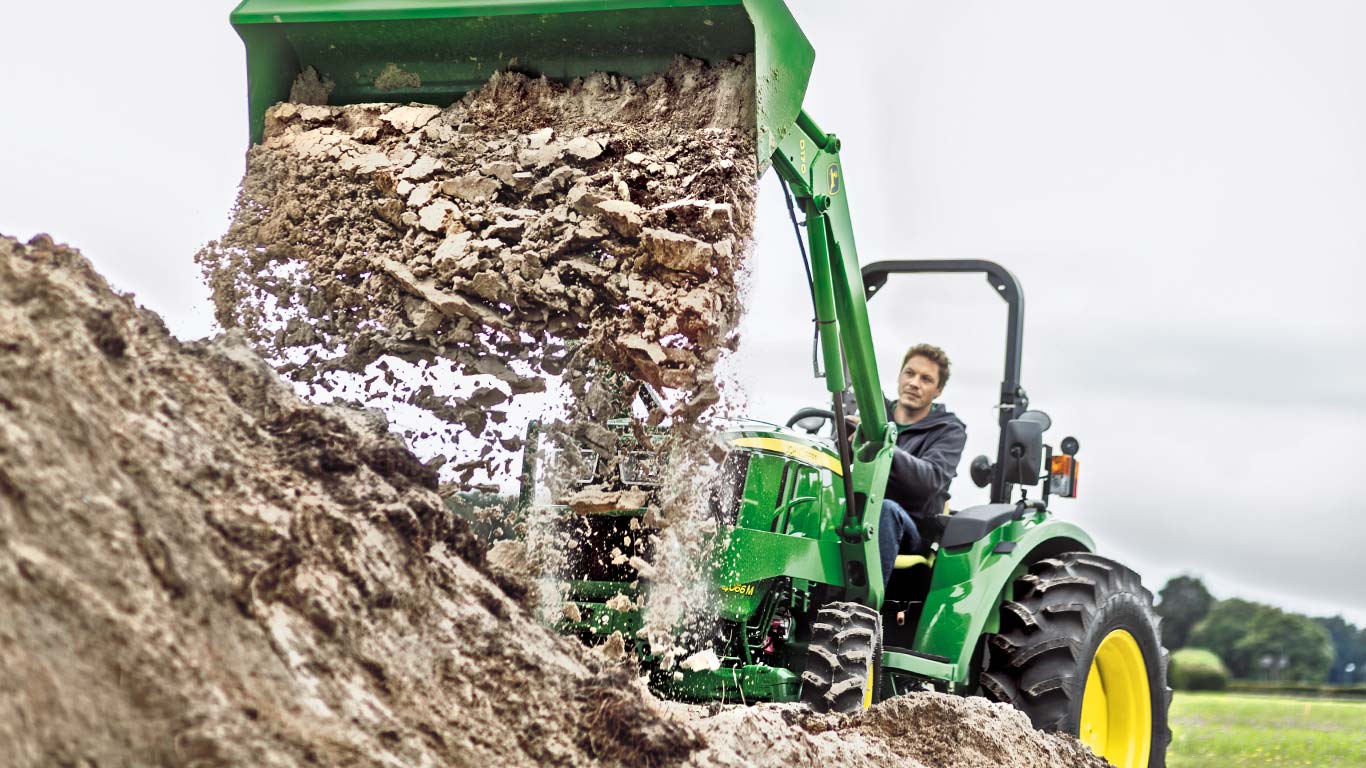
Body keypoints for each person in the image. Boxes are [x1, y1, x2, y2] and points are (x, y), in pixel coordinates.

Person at [874, 343, 966, 588]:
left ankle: (861, 611)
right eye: (910, 373)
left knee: (886, 510)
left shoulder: (948, 431)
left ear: (938, 389)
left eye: (926, 379)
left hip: (908, 528)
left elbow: (929, 480)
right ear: (900, 375)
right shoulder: (872, 414)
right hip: (852, 513)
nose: (914, 383)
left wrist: (883, 446)